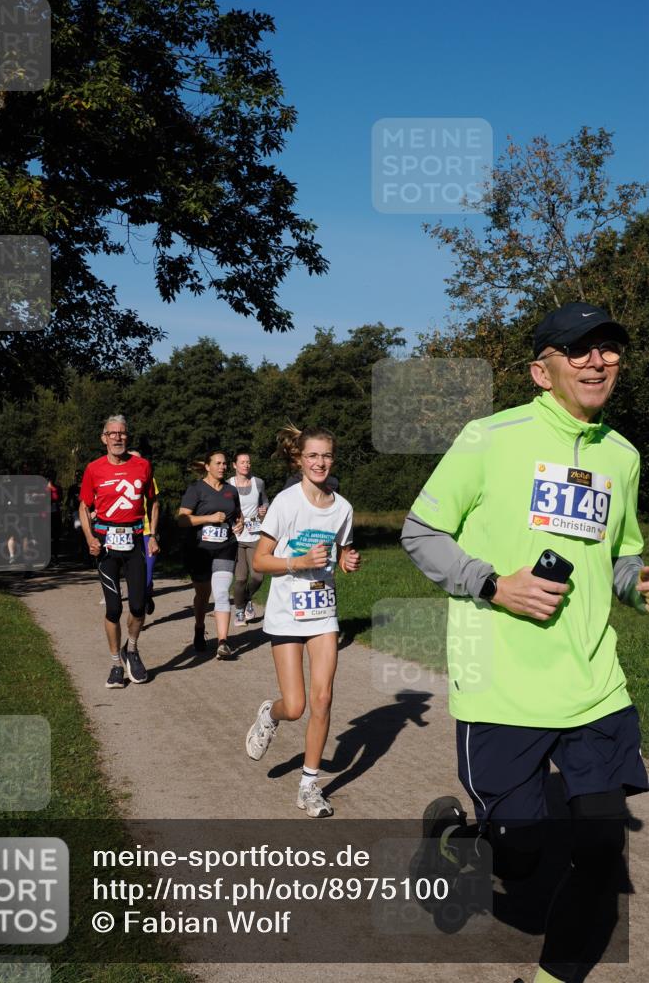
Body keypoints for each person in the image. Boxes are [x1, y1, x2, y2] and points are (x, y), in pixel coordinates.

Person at [401, 302, 648, 983]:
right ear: (543, 371)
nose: (599, 360)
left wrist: (638, 582)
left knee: (601, 851)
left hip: (594, 686)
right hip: (503, 686)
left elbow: (622, 557)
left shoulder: (623, 457)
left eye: (609, 347)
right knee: (516, 856)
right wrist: (491, 585)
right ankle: (453, 842)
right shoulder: (489, 437)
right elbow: (420, 534)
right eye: (581, 350)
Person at [244, 425, 360, 818]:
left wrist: (346, 561)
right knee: (295, 706)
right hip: (286, 613)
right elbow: (260, 560)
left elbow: (341, 552)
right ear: (300, 459)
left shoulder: (342, 508)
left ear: (333, 458)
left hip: (323, 613)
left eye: (326, 455)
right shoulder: (285, 502)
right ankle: (269, 715)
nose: (320, 462)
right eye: (312, 456)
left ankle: (309, 786)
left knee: (323, 698)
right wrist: (297, 562)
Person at [79, 416, 155, 689]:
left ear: (127, 437)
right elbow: (84, 507)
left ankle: (131, 650)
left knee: (138, 605)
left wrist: (153, 535)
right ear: (104, 438)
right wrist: (89, 537)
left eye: (122, 433)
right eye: (112, 433)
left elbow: (153, 501)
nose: (118, 438)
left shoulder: (143, 466)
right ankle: (114, 664)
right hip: (106, 544)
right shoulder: (93, 469)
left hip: (134, 542)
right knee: (113, 608)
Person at [178, 451, 243, 659]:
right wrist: (209, 518)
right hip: (200, 550)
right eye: (218, 463)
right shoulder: (196, 489)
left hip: (226, 546)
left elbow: (236, 515)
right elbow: (182, 520)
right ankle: (199, 626)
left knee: (222, 592)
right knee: (203, 595)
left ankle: (223, 642)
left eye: (225, 464)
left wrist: (239, 524)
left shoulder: (231, 490)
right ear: (207, 466)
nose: (223, 467)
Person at [228, 448, 269, 626]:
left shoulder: (258, 482)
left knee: (258, 577)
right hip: (235, 537)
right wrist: (231, 524)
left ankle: (247, 599)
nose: (246, 465)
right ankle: (239, 611)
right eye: (242, 462)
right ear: (235, 465)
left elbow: (265, 501)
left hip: (255, 535)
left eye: (248, 462)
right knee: (241, 578)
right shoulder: (228, 484)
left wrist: (264, 509)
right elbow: (221, 507)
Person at [128, 446, 161, 615]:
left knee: (147, 575)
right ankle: (137, 611)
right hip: (128, 533)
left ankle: (147, 595)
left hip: (148, 532)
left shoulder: (148, 479)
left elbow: (155, 505)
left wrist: (154, 534)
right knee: (133, 577)